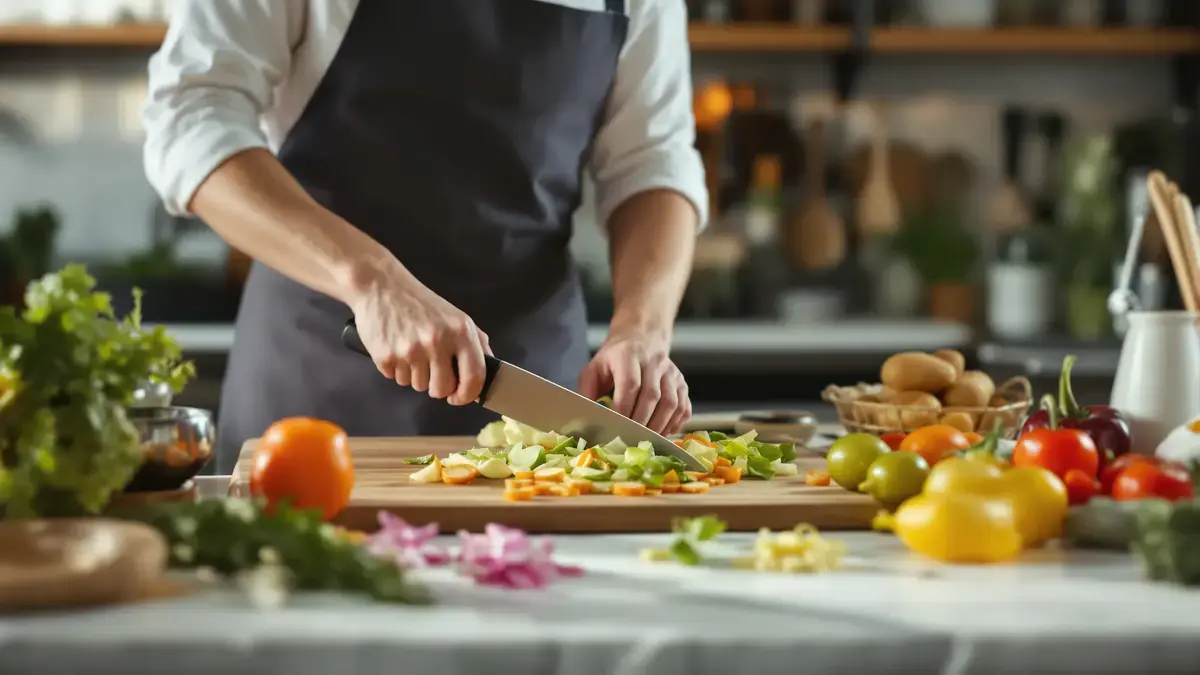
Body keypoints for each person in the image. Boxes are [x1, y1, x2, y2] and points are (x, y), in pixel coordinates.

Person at [143, 0, 708, 472]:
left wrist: (642, 329)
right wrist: (371, 280)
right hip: (315, 386)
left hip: (535, 405)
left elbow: (652, 161)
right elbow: (193, 116)